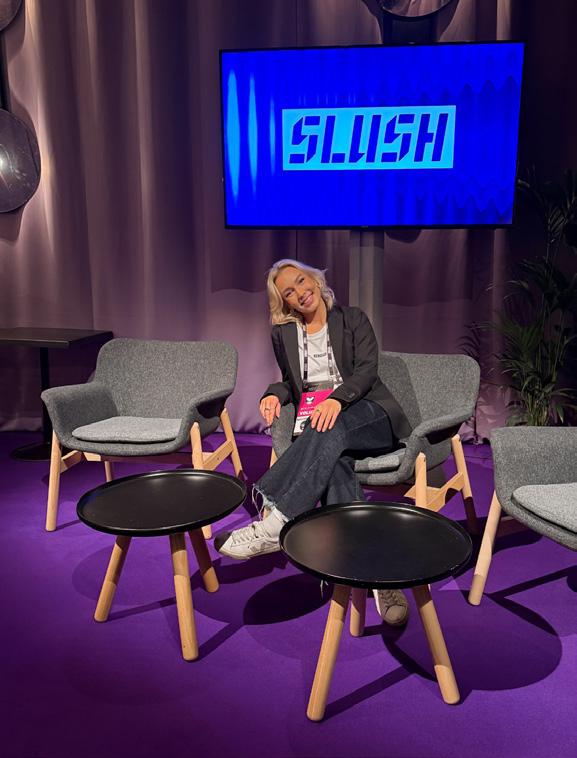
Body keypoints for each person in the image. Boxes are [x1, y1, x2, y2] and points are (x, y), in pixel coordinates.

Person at [215, 259, 412, 625]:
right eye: (289, 292)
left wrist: (338, 400)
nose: (300, 293)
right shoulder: (284, 334)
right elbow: (290, 382)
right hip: (321, 425)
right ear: (285, 302)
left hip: (369, 413)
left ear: (316, 280)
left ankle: (277, 519)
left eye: (301, 281)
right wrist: (273, 393)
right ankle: (380, 576)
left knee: (330, 427)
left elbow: (367, 372)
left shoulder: (352, 319)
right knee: (334, 465)